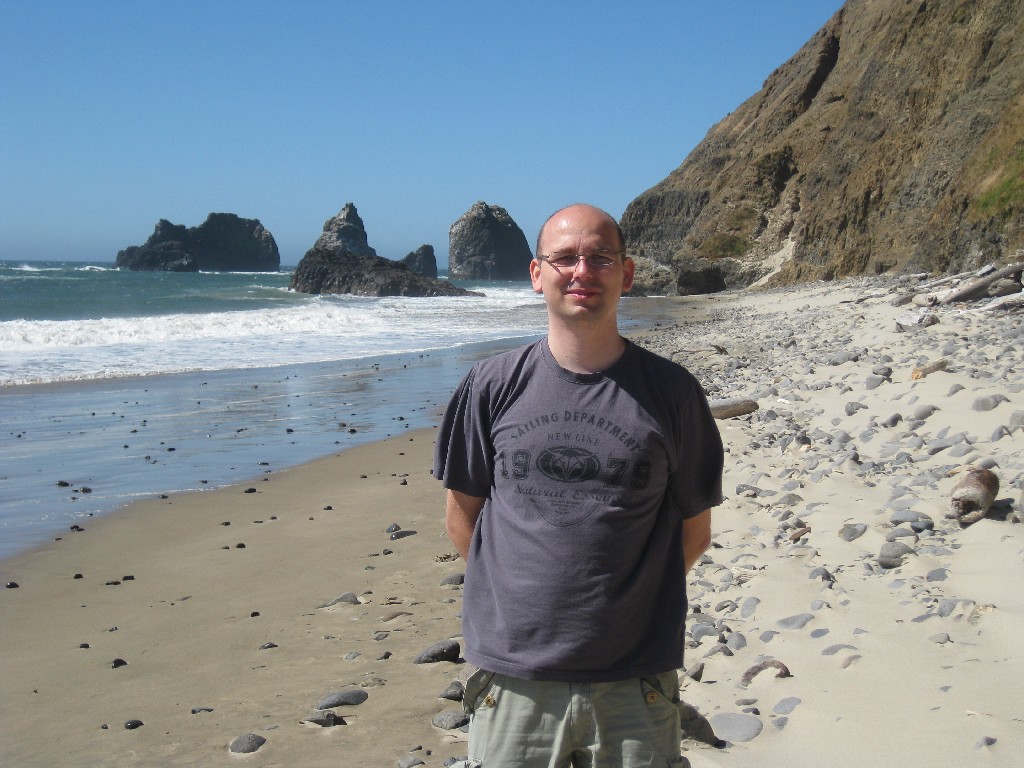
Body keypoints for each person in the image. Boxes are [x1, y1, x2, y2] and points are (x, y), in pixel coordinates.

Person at [433, 203, 724, 768]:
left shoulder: (673, 393)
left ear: (627, 273)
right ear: (537, 273)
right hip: (514, 680)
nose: (582, 271)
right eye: (564, 258)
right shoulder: (491, 385)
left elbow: (695, 531)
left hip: (635, 680)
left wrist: (625, 608)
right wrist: (517, 601)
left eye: (601, 257)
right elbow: (461, 513)